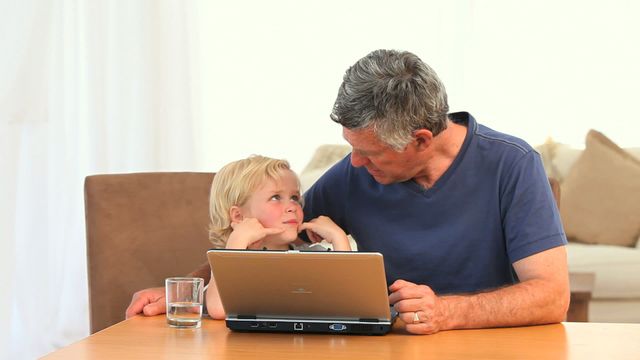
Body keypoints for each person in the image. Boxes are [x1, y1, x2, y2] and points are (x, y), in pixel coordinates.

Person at [127, 49, 569, 335]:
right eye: (351, 148)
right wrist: (184, 289)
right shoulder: (353, 175)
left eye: (370, 153)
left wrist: (450, 313)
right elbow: (273, 235)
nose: (354, 163)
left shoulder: (512, 165)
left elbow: (551, 295)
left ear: (419, 140)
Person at [126, 155, 351, 320]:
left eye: (294, 197)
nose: (292, 207)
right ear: (238, 215)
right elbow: (219, 309)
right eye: (275, 197)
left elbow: (348, 302)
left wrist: (339, 238)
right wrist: (236, 242)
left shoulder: (313, 256)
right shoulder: (235, 264)